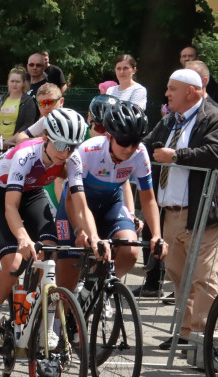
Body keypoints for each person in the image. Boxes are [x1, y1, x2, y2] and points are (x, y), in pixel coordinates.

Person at [0, 109, 89, 356]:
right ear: (47, 137)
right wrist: (23, 237)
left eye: (72, 146)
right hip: (1, 195)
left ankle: (43, 318)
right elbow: (10, 206)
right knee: (15, 264)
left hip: (34, 193)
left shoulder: (72, 159)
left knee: (52, 251)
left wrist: (86, 232)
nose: (65, 152)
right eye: (60, 144)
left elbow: (79, 201)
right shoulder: (26, 154)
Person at [143, 68, 218, 349]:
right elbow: (148, 145)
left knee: (204, 277)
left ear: (191, 91)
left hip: (206, 212)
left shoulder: (217, 118)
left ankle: (202, 341)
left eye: (172, 88)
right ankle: (185, 333)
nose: (166, 93)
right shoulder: (171, 120)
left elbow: (216, 153)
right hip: (171, 212)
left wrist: (177, 156)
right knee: (179, 275)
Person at [54, 101, 165, 297]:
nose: (130, 148)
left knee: (130, 251)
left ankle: (97, 289)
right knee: (65, 286)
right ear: (109, 136)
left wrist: (156, 234)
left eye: (136, 142)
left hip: (110, 205)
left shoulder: (140, 154)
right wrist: (84, 232)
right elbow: (76, 201)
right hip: (77, 206)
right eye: (123, 141)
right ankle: (60, 318)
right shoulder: (87, 152)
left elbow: (148, 199)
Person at [0, 67, 37, 146]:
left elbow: (28, 124)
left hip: (15, 144)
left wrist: (10, 141)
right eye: (12, 81)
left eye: (18, 82)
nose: (14, 84)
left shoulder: (28, 101)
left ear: (23, 83)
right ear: (8, 82)